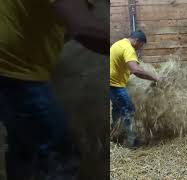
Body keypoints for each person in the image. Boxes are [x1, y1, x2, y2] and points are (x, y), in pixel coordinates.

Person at [0, 0, 108, 179]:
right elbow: (84, 28)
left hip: (12, 68)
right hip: (17, 72)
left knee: (25, 150)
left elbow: (64, 27)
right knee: (58, 154)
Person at [110, 31, 159, 148]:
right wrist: (155, 78)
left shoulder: (120, 43)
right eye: (141, 45)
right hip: (115, 84)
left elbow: (126, 65)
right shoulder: (129, 49)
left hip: (111, 82)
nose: (140, 49)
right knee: (129, 109)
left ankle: (116, 133)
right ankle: (132, 140)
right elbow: (135, 70)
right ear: (137, 41)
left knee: (117, 108)